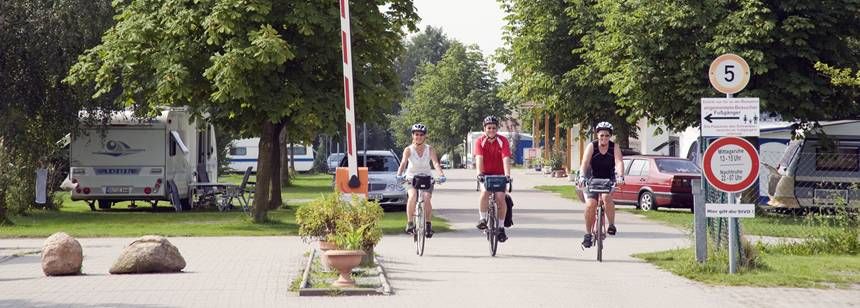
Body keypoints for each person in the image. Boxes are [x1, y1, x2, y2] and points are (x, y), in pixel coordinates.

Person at [577, 122, 625, 248]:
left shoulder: (614, 147)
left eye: (607, 136)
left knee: (606, 197)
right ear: (597, 135)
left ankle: (611, 224)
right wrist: (582, 176)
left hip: (608, 178)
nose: (604, 138)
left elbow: (619, 162)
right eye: (601, 135)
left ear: (610, 136)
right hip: (591, 178)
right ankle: (587, 234)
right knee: (590, 204)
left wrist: (620, 176)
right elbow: (584, 163)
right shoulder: (591, 146)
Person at [396, 123, 446, 237]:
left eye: (421, 135)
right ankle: (409, 223)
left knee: (427, 198)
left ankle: (428, 224)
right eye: (416, 134)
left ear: (425, 136)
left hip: (426, 178)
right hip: (411, 178)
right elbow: (403, 163)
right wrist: (399, 174)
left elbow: (435, 163)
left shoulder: (430, 149)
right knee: (413, 196)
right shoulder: (408, 150)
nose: (418, 137)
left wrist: (441, 175)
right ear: (412, 136)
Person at [474, 116, 512, 242]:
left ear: (497, 129)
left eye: (494, 128)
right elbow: (479, 158)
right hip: (485, 174)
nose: (491, 130)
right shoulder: (480, 141)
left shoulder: (503, 141)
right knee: (485, 192)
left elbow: (505, 158)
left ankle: (501, 228)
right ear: (484, 128)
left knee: (501, 198)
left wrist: (507, 175)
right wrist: (480, 173)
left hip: (500, 174)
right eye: (489, 128)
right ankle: (483, 219)